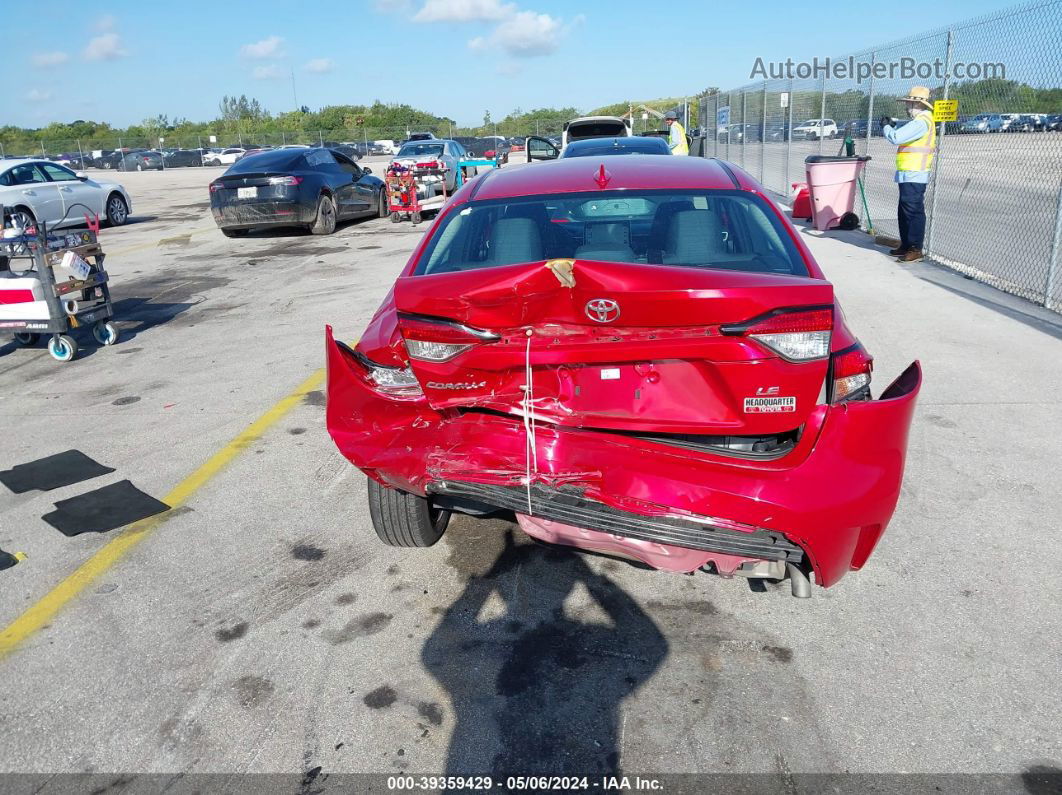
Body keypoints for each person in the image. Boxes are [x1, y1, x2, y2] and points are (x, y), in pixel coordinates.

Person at [881, 86, 936, 263]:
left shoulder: (921, 122)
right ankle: (906, 244)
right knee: (905, 210)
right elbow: (904, 132)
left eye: (909, 103)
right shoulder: (920, 120)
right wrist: (893, 125)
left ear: (917, 104)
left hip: (915, 173)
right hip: (909, 173)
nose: (906, 106)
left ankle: (915, 248)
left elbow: (896, 138)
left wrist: (886, 127)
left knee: (913, 211)